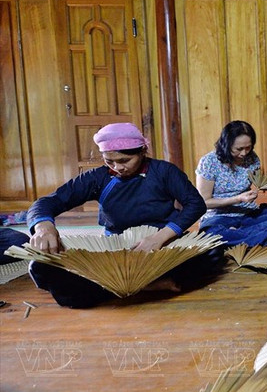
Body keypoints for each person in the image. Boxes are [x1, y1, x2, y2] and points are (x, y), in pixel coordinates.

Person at [26, 123, 211, 308]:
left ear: (143, 151)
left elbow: (195, 204)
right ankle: (145, 286)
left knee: (212, 254)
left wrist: (160, 237)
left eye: (124, 160)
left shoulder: (164, 172)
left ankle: (106, 289)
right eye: (109, 161)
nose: (117, 167)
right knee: (39, 267)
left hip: (162, 245)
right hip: (117, 249)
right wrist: (44, 227)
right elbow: (46, 202)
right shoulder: (98, 178)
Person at [196, 121, 267, 248]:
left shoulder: (252, 158)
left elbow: (256, 182)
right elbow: (204, 202)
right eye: (239, 149)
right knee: (210, 235)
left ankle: (240, 234)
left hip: (248, 214)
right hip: (218, 218)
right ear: (226, 144)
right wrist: (237, 199)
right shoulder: (209, 162)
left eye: (248, 147)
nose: (244, 153)